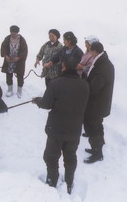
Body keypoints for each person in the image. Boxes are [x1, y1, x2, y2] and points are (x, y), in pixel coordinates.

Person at [32, 54, 89, 195]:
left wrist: (37, 100)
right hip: (74, 129)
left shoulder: (55, 83)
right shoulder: (85, 85)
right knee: (70, 157)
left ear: (63, 67)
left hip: (56, 128)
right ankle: (69, 183)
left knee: (51, 157)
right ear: (76, 67)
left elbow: (46, 104)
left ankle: (52, 181)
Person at [84, 42, 114, 164]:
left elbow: (94, 87)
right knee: (97, 125)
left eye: (90, 51)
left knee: (93, 128)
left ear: (95, 51)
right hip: (99, 104)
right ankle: (97, 146)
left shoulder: (103, 66)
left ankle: (97, 153)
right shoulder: (103, 61)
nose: (89, 53)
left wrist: (83, 88)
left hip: (96, 105)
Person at [0, 25, 28, 98]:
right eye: (12, 32)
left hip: (19, 61)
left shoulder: (22, 40)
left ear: (17, 33)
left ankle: (19, 91)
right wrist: (6, 56)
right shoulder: (7, 38)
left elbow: (24, 50)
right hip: (9, 60)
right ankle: (10, 90)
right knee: (9, 74)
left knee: (20, 75)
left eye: (15, 33)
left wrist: (18, 57)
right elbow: (3, 47)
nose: (13, 34)